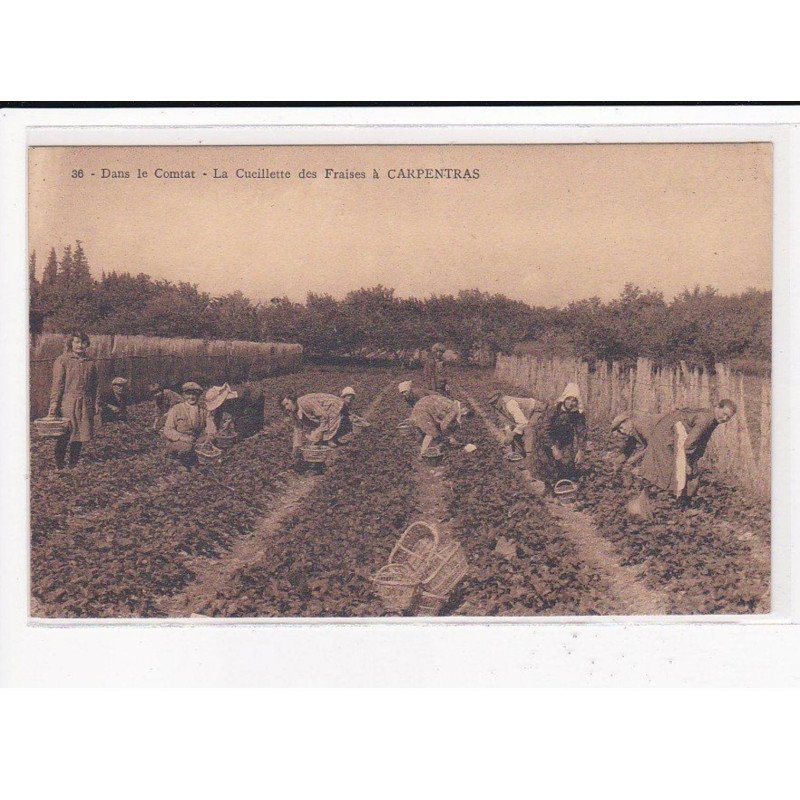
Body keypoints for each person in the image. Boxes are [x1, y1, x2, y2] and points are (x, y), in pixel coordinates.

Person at [638, 400, 737, 500]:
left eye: (728, 417)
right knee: (668, 470)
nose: (725, 418)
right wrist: (687, 462)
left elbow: (700, 441)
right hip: (667, 435)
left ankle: (670, 500)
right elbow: (690, 443)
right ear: (717, 407)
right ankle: (656, 499)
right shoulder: (706, 419)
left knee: (675, 472)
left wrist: (694, 458)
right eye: (724, 414)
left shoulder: (712, 418)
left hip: (673, 434)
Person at [48, 331, 99, 469]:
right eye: (76, 342)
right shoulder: (63, 360)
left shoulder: (91, 363)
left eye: (82, 342)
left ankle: (73, 465)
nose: (79, 345)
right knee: (65, 434)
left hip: (85, 403)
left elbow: (95, 386)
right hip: (68, 403)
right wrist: (54, 403)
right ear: (71, 343)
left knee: (80, 434)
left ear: (87, 344)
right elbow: (57, 384)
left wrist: (95, 403)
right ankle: (59, 466)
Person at [532, 382, 587, 491]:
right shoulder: (553, 409)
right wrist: (553, 447)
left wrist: (581, 450)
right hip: (546, 437)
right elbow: (544, 430)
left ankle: (564, 486)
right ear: (564, 399)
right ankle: (548, 487)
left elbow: (581, 431)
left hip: (564, 437)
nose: (571, 403)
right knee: (547, 462)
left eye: (574, 400)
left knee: (567, 461)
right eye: (569, 399)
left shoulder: (578, 413)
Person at [281, 391, 345, 463]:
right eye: (284, 406)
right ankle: (324, 443)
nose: (286, 408)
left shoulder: (304, 402)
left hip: (331, 404)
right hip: (321, 410)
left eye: (287, 403)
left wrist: (321, 432)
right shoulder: (292, 412)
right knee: (316, 432)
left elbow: (324, 416)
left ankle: (332, 450)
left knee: (328, 434)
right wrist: (296, 447)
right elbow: (297, 429)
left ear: (293, 400)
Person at [161, 382, 215, 467]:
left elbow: (211, 426)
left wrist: (210, 436)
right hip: (178, 441)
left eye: (194, 394)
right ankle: (175, 460)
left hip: (195, 440)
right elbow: (168, 430)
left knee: (209, 443)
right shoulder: (176, 409)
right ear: (184, 395)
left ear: (198, 396)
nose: (191, 397)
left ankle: (196, 461)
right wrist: (182, 437)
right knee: (187, 448)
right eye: (188, 394)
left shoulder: (203, 411)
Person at [487, 389, 546, 460]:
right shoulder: (497, 408)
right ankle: (519, 453)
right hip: (525, 415)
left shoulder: (509, 404)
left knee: (528, 428)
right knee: (513, 430)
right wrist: (509, 433)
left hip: (536, 410)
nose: (494, 404)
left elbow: (523, 422)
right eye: (492, 403)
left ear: (500, 398)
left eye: (495, 402)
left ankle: (529, 455)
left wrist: (512, 434)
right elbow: (505, 421)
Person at [409, 393, 464, 459]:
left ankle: (423, 448)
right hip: (423, 411)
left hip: (424, 405)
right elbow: (443, 426)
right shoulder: (453, 411)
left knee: (434, 433)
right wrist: (450, 437)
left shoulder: (452, 405)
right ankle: (422, 454)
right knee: (431, 433)